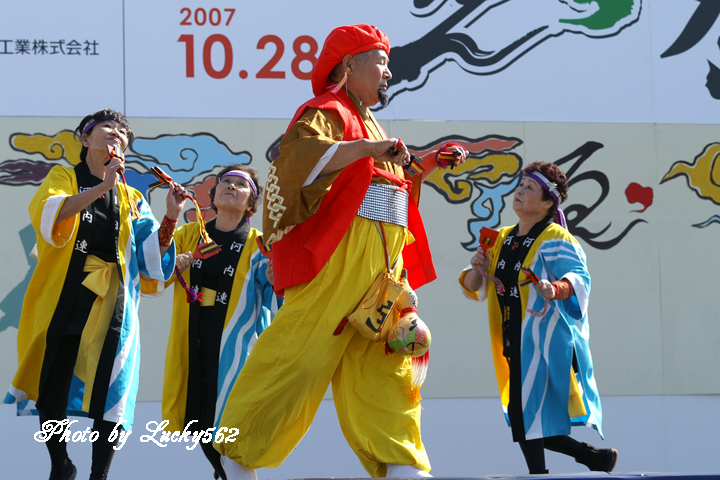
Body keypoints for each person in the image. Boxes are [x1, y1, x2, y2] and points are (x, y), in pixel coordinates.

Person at [215, 24, 466, 480]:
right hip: (338, 262)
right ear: (348, 65)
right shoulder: (324, 110)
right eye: (380, 62)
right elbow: (296, 161)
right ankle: (237, 452)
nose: (389, 73)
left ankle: (403, 465)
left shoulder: (368, 121)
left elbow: (388, 184)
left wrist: (427, 163)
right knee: (298, 358)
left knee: (386, 367)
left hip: (383, 271)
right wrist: (369, 147)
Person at [3, 109, 185, 480]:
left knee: (111, 387)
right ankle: (60, 463)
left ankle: (98, 474)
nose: (116, 136)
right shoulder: (64, 176)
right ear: (86, 139)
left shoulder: (133, 196)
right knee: (53, 378)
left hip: (114, 299)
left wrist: (169, 216)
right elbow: (50, 215)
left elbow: (150, 256)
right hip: (68, 293)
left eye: (123, 133)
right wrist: (103, 185)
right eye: (107, 129)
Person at [459, 162, 618, 474]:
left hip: (544, 340)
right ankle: (593, 458)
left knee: (525, 417)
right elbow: (472, 287)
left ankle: (543, 473)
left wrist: (555, 288)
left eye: (529, 188)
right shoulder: (500, 238)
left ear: (548, 202)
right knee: (524, 418)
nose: (519, 191)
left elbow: (579, 278)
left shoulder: (556, 237)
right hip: (513, 338)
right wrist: (477, 270)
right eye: (519, 185)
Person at [142, 165, 278, 480]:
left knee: (228, 425)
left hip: (235, 351)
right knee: (201, 423)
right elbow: (153, 267)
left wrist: (274, 280)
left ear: (252, 204)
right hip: (194, 341)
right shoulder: (190, 234)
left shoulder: (260, 247)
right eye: (225, 183)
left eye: (240, 185)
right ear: (213, 196)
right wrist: (172, 216)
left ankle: (232, 473)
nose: (231, 187)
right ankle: (225, 473)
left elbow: (274, 301)